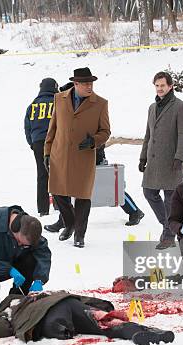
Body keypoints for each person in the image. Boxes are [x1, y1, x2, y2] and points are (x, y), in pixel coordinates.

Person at [44, 67, 111, 248]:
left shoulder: (100, 103)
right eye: (86, 83)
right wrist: (47, 152)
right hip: (60, 154)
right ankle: (70, 222)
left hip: (84, 156)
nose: (90, 87)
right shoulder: (59, 98)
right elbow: (53, 127)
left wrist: (93, 141)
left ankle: (79, 235)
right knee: (57, 192)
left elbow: (106, 131)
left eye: (91, 83)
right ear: (76, 84)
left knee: (82, 196)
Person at [0, 291, 175, 345]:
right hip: (67, 303)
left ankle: (136, 333)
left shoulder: (10, 309)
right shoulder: (44, 294)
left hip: (52, 318)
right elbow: (78, 298)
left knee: (61, 328)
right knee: (102, 323)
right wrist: (102, 307)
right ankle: (137, 331)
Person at [139, 71, 183, 250]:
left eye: (163, 85)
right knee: (148, 192)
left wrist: (180, 157)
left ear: (170, 86)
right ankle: (168, 226)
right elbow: (148, 134)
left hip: (171, 160)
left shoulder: (180, 106)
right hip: (153, 161)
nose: (160, 89)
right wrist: (143, 157)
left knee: (170, 199)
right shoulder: (152, 107)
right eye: (157, 85)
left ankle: (168, 235)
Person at [44, 144, 144, 231]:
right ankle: (64, 220)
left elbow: (103, 133)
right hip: (76, 157)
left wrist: (93, 146)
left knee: (111, 189)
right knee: (71, 188)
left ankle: (135, 211)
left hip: (93, 156)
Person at [25, 78, 59, 216]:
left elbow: (27, 127)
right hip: (55, 141)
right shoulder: (57, 103)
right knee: (58, 173)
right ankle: (59, 204)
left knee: (42, 175)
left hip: (38, 142)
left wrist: (32, 143)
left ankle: (43, 209)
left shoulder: (32, 105)